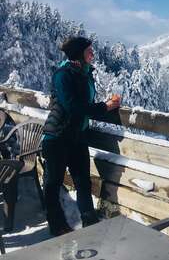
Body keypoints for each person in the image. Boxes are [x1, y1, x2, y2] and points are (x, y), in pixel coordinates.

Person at [42, 36, 121, 236]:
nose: (93, 54)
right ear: (79, 54)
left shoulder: (85, 73)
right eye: (89, 51)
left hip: (77, 137)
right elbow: (73, 107)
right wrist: (105, 106)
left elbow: (84, 103)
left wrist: (108, 106)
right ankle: (57, 225)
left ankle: (89, 223)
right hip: (57, 138)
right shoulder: (63, 75)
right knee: (53, 184)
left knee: (83, 182)